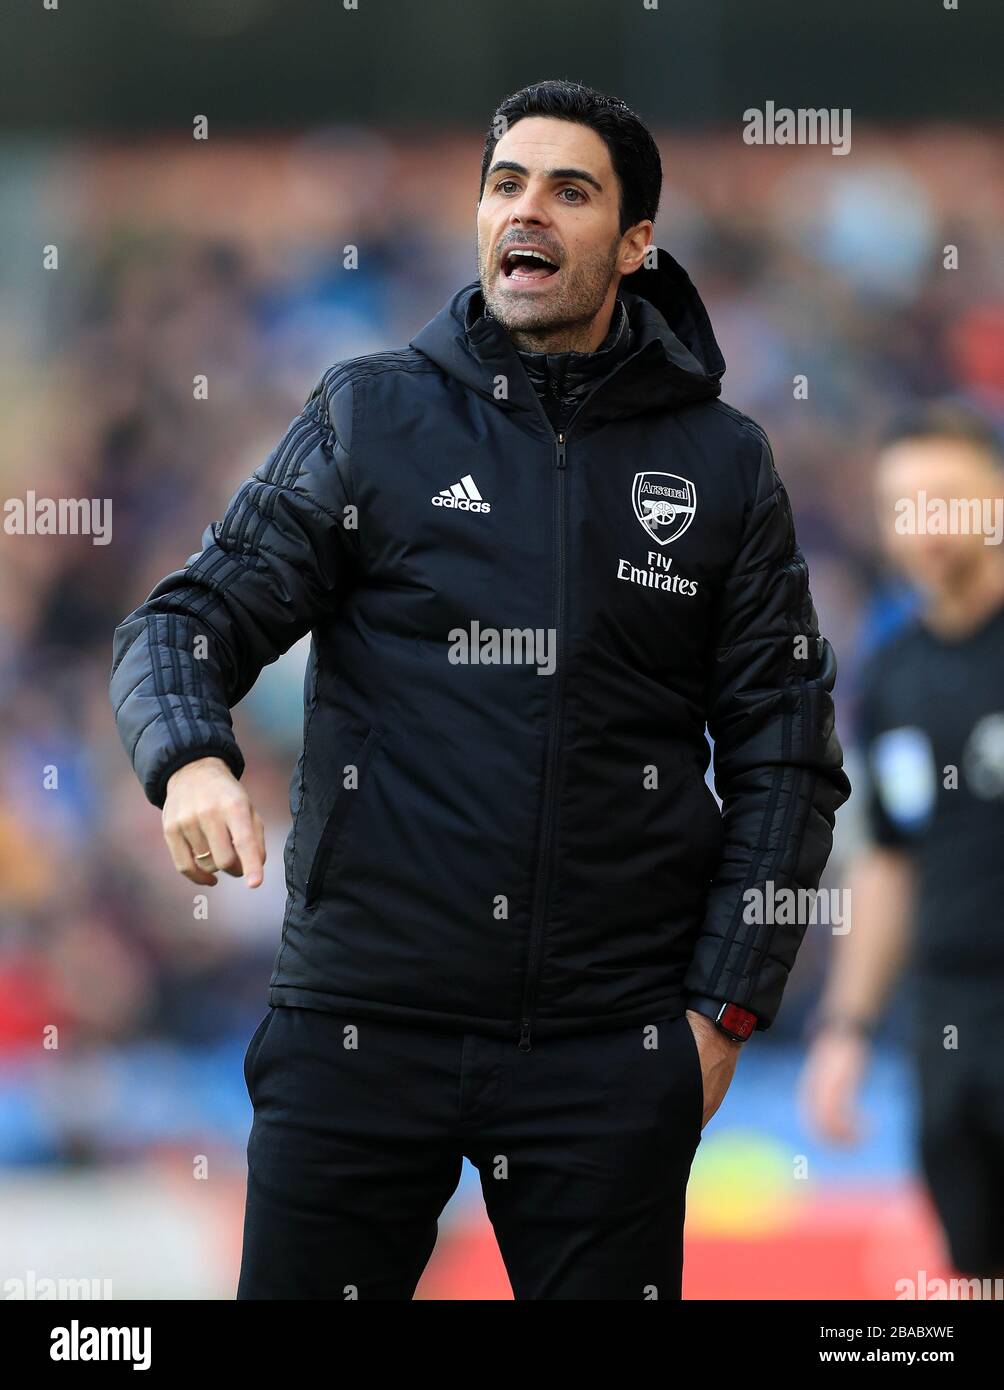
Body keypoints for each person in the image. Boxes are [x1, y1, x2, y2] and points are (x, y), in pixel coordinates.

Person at [110, 79, 850, 1300]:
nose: (528, 210)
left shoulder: (721, 462)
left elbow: (787, 754)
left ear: (632, 243)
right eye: (506, 183)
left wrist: (722, 1012)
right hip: (359, 1027)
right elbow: (182, 621)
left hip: (604, 1049)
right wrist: (190, 758)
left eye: (569, 191)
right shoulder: (369, 416)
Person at [799, 402, 1004, 1280]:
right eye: (903, 503)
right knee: (976, 1266)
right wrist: (847, 1026)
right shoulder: (891, 676)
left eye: (946, 497)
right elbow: (889, 859)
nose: (924, 524)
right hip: (949, 1022)